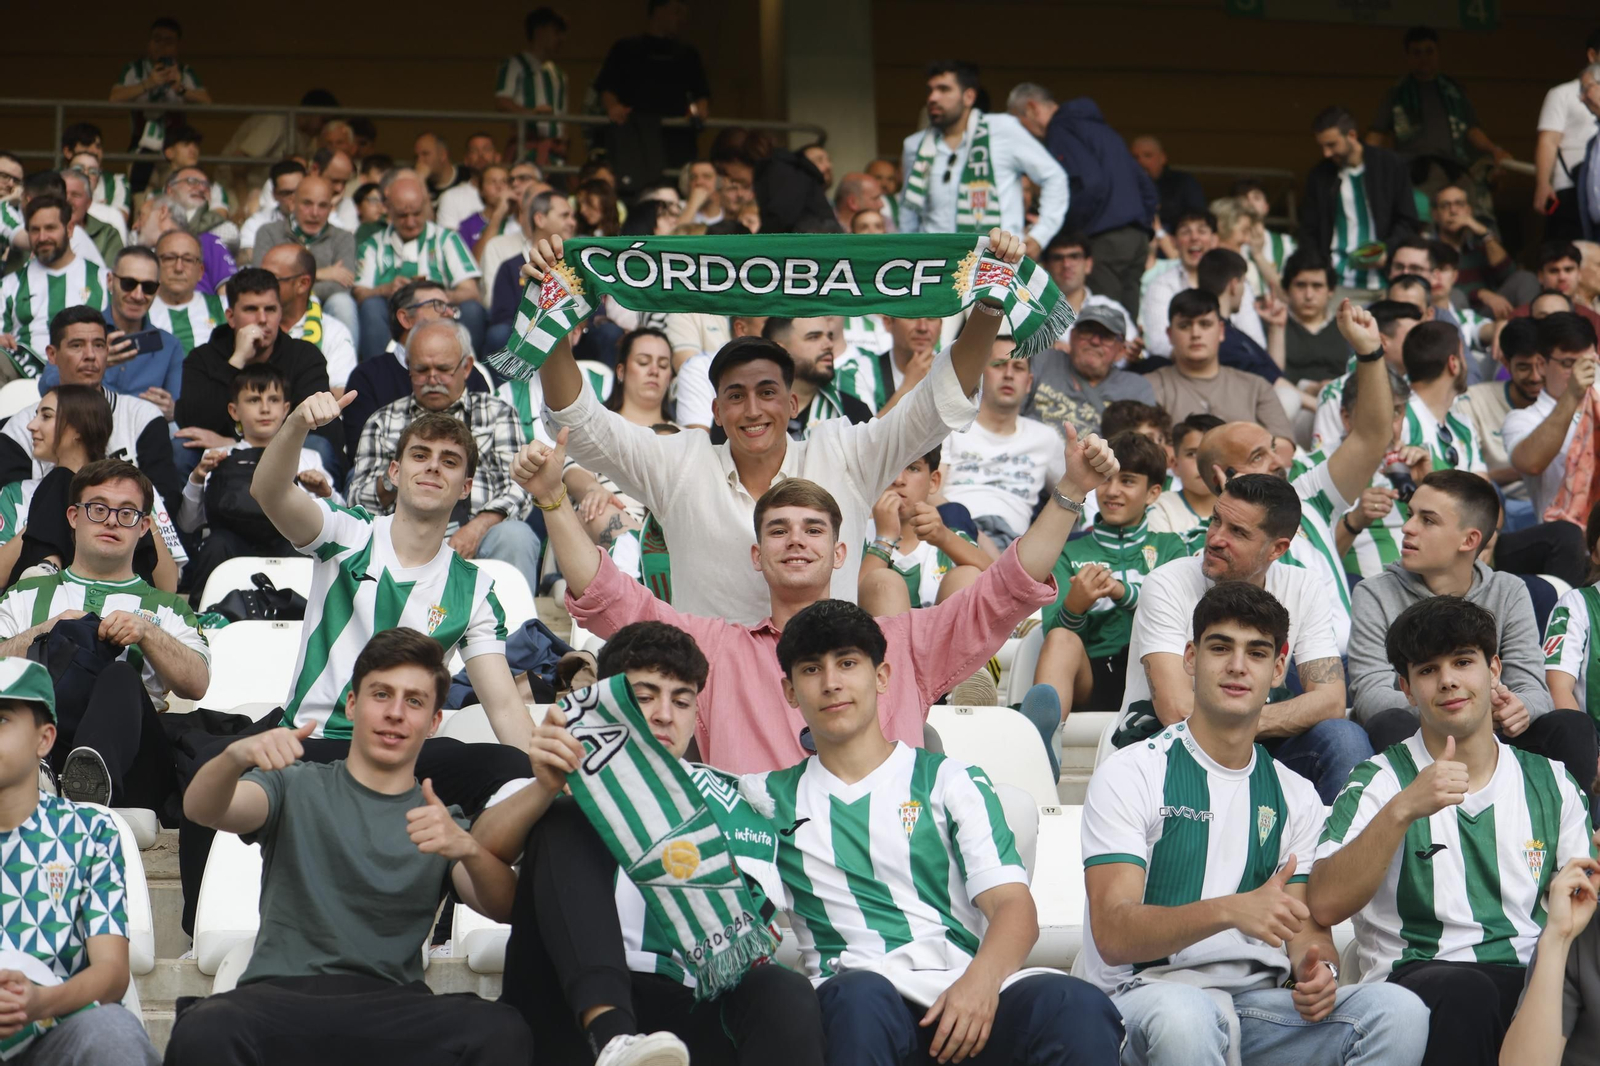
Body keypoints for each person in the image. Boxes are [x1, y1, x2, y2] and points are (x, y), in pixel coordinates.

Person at [512, 405, 1118, 775]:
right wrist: (551, 499)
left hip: (889, 881)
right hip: (760, 887)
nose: (795, 541)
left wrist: (1069, 490)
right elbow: (610, 597)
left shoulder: (903, 644)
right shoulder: (712, 651)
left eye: (812, 530)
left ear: (840, 552)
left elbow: (1006, 589)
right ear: (758, 554)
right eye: (777, 529)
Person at [523, 228, 1020, 626]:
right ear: (716, 411)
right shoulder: (680, 461)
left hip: (825, 691)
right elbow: (582, 423)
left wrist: (990, 304)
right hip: (715, 695)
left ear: (793, 403)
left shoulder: (843, 454)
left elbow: (935, 403)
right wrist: (553, 319)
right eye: (735, 396)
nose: (753, 410)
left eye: (767, 392)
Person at [744, 597, 1124, 1066]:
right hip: (854, 998)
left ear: (881, 676)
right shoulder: (761, 799)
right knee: (861, 997)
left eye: (847, 663)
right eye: (810, 669)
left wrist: (980, 984)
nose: (832, 683)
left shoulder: (950, 779)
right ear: (789, 690)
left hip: (962, 989)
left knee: (1077, 1007)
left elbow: (1012, 907)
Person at [1081, 581, 1429, 1066]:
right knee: (1186, 1016)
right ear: (1190, 658)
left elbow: (1305, 930)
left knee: (1398, 1011)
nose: (1238, 666)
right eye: (1220, 647)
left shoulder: (1296, 794)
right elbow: (1114, 935)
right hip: (1142, 997)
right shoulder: (1133, 771)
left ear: (1279, 669)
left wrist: (1317, 969)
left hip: (1254, 1007)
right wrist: (1229, 910)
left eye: (1257, 652)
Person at [165, 628, 533, 1066]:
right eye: (381, 694)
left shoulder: (440, 820)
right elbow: (204, 809)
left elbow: (505, 907)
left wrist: (468, 848)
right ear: (354, 704)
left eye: (414, 701)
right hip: (282, 997)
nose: (395, 713)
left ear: (434, 721)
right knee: (205, 1028)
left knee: (501, 1031)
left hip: (393, 1008)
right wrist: (233, 756)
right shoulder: (293, 785)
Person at [470, 621, 824, 1066]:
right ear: (606, 700)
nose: (663, 714)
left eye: (681, 700)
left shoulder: (742, 799)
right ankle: (613, 1035)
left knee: (782, 990)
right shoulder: (551, 777)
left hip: (688, 1002)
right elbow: (474, 857)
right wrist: (546, 788)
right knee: (568, 815)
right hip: (565, 1005)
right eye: (644, 696)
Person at [1309, 595, 1594, 1066]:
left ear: (1494, 669)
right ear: (1405, 687)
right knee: (1470, 991)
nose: (1448, 681)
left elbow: (1581, 911)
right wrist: (1403, 810)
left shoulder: (1553, 782)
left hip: (1534, 976)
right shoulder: (1379, 781)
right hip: (1419, 978)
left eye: (1463, 662)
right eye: (1427, 670)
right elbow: (1324, 903)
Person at [1115, 474, 1365, 802]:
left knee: (1344, 739)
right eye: (1216, 520)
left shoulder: (1304, 586)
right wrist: (1250, 723)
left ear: (1277, 548)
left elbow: (1330, 700)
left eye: (1238, 532)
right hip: (1168, 746)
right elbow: (1176, 709)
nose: (1216, 538)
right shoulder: (1167, 584)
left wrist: (1243, 725)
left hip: (1261, 749)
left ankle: (1341, 850)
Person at [1345, 470, 1595, 791]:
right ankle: (1421, 834)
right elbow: (1369, 694)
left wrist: (1521, 708)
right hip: (1420, 734)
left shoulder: (1509, 589)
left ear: (1470, 540)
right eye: (1410, 516)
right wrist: (1460, 712)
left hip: (1496, 739)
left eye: (1428, 520)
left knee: (1570, 725)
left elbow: (1533, 689)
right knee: (1391, 721)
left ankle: (1575, 832)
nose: (1407, 528)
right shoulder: (1374, 592)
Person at [1195, 300, 1404, 650]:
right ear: (1224, 475)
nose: (1279, 462)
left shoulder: (1308, 497)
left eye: (1274, 448)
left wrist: (1369, 354)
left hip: (1352, 666)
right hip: (1277, 677)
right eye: (1259, 456)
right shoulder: (1204, 544)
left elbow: (1372, 437)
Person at [0, 458, 204, 809]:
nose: (111, 520)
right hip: (36, 744)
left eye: (127, 513)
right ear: (73, 517)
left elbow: (196, 684)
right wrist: (44, 631)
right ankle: (47, 771)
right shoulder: (24, 595)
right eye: (98, 508)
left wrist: (146, 633)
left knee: (121, 674)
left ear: (143, 527)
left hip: (134, 767)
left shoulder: (167, 607)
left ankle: (87, 781)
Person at [0, 656, 161, 1063]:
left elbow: (111, 972)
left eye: (2, 719)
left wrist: (40, 1002)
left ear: (45, 738)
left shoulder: (91, 831)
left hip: (57, 1032)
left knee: (113, 1033)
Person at [348, 321, 539, 593]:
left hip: (482, 536)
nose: (432, 378)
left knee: (516, 536)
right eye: (422, 370)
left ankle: (515, 634)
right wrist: (397, 478)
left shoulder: (497, 413)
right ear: (408, 369)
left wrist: (476, 529)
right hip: (402, 542)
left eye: (444, 369)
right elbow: (357, 499)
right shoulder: (382, 421)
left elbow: (519, 486)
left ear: (467, 367)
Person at [1034, 431, 1189, 720]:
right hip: (1089, 678)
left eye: (1127, 481)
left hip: (1157, 675)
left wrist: (1122, 592)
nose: (1112, 491)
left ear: (1154, 492)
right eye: (1105, 479)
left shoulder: (1171, 547)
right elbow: (1050, 634)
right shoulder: (1067, 552)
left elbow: (1183, 617)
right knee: (1059, 639)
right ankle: (1041, 744)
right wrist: (1074, 608)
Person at [0, 308, 183, 526]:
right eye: (77, 345)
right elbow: (12, 515)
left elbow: (165, 504)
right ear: (52, 355)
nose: (90, 355)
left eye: (98, 345)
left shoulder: (142, 416)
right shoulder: (21, 427)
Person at [177, 363, 339, 586]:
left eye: (273, 400)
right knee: (216, 544)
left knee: (307, 550)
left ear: (286, 408)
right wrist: (197, 478)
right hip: (230, 550)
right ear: (234, 411)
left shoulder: (309, 457)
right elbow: (188, 525)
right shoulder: (216, 457)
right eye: (254, 400)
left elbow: (337, 525)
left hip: (289, 550)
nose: (265, 409)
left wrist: (326, 493)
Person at [0, 385, 174, 592]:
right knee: (61, 479)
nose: (31, 425)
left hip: (122, 603)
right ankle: (47, 567)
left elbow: (169, 586)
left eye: (46, 416)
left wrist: (134, 512)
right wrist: (47, 517)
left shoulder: (133, 492)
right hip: (41, 607)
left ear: (77, 428)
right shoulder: (16, 493)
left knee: (66, 479)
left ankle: (49, 566)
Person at [1007, 83, 1156, 316]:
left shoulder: (1060, 130)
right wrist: (1144, 229)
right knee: (1126, 324)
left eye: (1018, 121)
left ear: (1032, 108)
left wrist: (1070, 232)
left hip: (1105, 239)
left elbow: (1091, 183)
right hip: (1137, 238)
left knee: (1103, 321)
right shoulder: (1104, 131)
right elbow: (1147, 187)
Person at [176, 267, 345, 471]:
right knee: (181, 448)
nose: (262, 319)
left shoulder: (304, 357)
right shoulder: (202, 358)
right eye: (251, 309)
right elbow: (192, 421)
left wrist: (237, 446)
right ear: (230, 317)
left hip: (285, 460)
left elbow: (318, 430)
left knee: (319, 447)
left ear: (280, 313)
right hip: (218, 463)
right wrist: (236, 360)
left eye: (270, 309)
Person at [898, 61, 1067, 259]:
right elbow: (908, 211)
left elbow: (1054, 177)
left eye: (944, 89)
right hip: (935, 265)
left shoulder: (1003, 129)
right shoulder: (914, 146)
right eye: (931, 90)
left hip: (998, 263)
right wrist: (906, 254)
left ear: (969, 96)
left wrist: (1040, 236)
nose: (933, 98)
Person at [940, 338, 1067, 552]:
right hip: (952, 534)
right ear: (980, 374)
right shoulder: (950, 427)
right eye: (999, 365)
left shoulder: (1045, 438)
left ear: (1028, 383)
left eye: (1018, 367)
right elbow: (930, 492)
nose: (1008, 374)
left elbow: (1076, 492)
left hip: (1015, 546)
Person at [1367, 26, 1512, 206]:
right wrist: (1361, 161)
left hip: (1454, 170)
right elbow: (1377, 134)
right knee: (1422, 225)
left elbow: (1472, 130)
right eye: (1417, 53)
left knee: (1469, 214)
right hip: (1414, 172)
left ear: (1438, 53)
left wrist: (1495, 150)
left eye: (1429, 51)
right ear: (1408, 57)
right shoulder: (1397, 93)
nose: (1424, 58)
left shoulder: (1454, 91)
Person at [344, 281, 495, 453]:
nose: (449, 313)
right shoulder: (367, 377)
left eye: (450, 307)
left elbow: (484, 449)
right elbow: (361, 456)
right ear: (405, 318)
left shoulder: (468, 373)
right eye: (438, 305)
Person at [38, 247, 183, 419]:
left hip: (142, 435)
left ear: (157, 290)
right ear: (109, 281)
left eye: (148, 287)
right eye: (128, 284)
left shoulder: (169, 345)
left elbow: (177, 410)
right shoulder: (77, 329)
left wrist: (173, 411)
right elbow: (46, 384)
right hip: (80, 425)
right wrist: (97, 363)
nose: (138, 295)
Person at [354, 176, 486, 358]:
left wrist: (434, 297)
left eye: (416, 214)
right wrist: (385, 289)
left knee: (472, 309)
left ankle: (466, 371)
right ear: (388, 210)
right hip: (393, 317)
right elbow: (360, 293)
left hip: (441, 314)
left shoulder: (446, 239)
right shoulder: (373, 245)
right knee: (371, 305)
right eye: (402, 215)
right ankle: (378, 375)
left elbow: (471, 292)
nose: (410, 222)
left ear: (426, 207)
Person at [1146, 289, 1296, 438]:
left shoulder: (1256, 387)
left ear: (1221, 331)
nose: (1196, 334)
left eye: (1205, 324)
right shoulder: (1148, 388)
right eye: (1185, 326)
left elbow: (1284, 446)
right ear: (1170, 334)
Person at [1300, 107, 1419, 295]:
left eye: (1332, 145)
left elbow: (1407, 219)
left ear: (1352, 135)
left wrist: (1387, 251)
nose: (1326, 153)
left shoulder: (1389, 165)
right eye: (1322, 146)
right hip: (1337, 284)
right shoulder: (1320, 176)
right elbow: (1309, 231)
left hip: (1386, 282)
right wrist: (1320, 272)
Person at [861, 445, 989, 612]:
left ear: (933, 481)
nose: (899, 480)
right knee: (883, 581)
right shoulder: (853, 533)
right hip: (872, 636)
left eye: (913, 468)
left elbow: (1000, 579)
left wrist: (944, 538)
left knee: (967, 574)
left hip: (945, 635)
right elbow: (846, 603)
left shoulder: (947, 537)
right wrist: (884, 538)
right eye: (891, 468)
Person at [592, 0, 711, 169]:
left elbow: (702, 94)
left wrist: (699, 110)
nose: (681, 19)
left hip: (676, 141)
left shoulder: (688, 54)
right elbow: (607, 88)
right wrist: (613, 107)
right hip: (635, 138)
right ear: (658, 11)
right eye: (676, 12)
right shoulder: (625, 49)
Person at [1505, 312, 1599, 518]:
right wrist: (1572, 394)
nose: (1581, 371)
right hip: (1568, 540)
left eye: (1589, 362)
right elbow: (1532, 463)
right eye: (1568, 363)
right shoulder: (1522, 419)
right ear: (1541, 364)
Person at [1141, 211, 1267, 356]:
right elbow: (1159, 345)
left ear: (1214, 240)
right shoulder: (1160, 285)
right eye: (1185, 232)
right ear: (1174, 241)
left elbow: (1256, 343)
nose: (1194, 237)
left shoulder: (1235, 281)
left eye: (1202, 231)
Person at [251, 176, 359, 346]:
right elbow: (261, 280)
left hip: (326, 304)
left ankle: (347, 366)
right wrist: (324, 273)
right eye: (307, 204)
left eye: (323, 206)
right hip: (279, 303)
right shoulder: (268, 233)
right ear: (292, 202)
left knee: (342, 302)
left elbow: (343, 285)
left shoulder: (343, 238)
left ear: (331, 208)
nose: (315, 213)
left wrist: (289, 282)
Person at [1024, 302, 1153, 441]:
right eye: (1087, 330)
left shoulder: (1136, 389)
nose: (1095, 341)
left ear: (1121, 350)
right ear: (1072, 337)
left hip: (1094, 462)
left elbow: (1140, 449)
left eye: (1107, 336)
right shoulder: (1042, 360)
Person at [108, 17, 210, 192]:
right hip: (141, 146)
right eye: (156, 39)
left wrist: (181, 89)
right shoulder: (135, 69)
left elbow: (207, 102)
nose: (161, 45)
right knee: (142, 193)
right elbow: (114, 98)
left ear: (177, 47)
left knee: (177, 191)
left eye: (168, 41)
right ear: (149, 43)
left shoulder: (184, 71)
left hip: (176, 149)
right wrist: (148, 83)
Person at [0, 196, 109, 357]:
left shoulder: (104, 280)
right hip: (24, 377)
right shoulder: (9, 285)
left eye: (50, 228)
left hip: (88, 376)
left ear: (70, 229)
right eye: (35, 230)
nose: (42, 237)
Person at [1312, 300, 1423, 452]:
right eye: (1413, 337)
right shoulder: (1335, 393)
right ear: (1383, 341)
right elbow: (1322, 460)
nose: (1422, 343)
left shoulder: (1423, 388)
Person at [1461, 317, 1539, 517]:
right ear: (1505, 362)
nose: (1535, 376)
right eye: (1524, 367)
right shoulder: (1474, 401)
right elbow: (1461, 477)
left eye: (1541, 365)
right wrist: (1525, 468)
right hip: (1497, 507)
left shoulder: (1567, 402)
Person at [260, 243, 359, 393]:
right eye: (260, 276)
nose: (260, 284)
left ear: (303, 284)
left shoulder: (334, 332)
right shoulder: (246, 324)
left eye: (271, 278)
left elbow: (341, 394)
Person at [486, 189, 576, 350]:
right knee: (499, 333)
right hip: (523, 344)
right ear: (540, 219)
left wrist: (581, 325)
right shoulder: (510, 267)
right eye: (565, 216)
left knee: (608, 332)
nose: (573, 222)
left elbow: (597, 315)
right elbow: (502, 320)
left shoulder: (579, 263)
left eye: (572, 216)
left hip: (574, 341)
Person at [1429, 185, 1534, 316]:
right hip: (1453, 314)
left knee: (1525, 278)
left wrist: (1484, 233)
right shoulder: (1427, 250)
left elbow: (1508, 273)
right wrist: (1480, 293)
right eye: (1445, 205)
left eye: (1459, 204)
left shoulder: (1480, 246)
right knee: (1455, 296)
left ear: (1469, 210)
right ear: (1435, 214)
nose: (1453, 211)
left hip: (1486, 313)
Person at [1535, 32, 1600, 242]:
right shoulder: (1564, 93)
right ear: (1592, 54)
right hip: (1571, 187)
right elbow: (1548, 140)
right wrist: (1543, 183)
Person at [1037, 231, 1141, 351]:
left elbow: (1135, 351)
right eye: (1057, 258)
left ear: (1088, 264)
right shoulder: (1029, 309)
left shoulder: (1111, 308)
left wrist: (1132, 354)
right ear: (1044, 266)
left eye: (1074, 256)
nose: (1066, 264)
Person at [494, 7, 570, 164]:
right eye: (556, 32)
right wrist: (531, 113)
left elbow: (562, 114)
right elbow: (502, 100)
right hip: (527, 147)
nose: (561, 39)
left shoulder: (559, 74)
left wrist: (565, 138)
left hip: (555, 150)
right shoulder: (515, 64)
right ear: (539, 31)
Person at [144, 229, 225, 354]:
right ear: (155, 266)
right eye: (169, 258)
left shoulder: (223, 307)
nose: (178, 268)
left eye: (188, 260)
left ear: (200, 271)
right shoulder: (139, 311)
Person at [1282, 250, 1351, 384]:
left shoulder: (1347, 327)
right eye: (1300, 285)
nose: (1309, 295)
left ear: (1330, 291)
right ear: (1286, 289)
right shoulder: (1270, 325)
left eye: (1317, 286)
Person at [1130, 135, 1206, 236]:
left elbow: (1197, 217)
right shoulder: (1124, 186)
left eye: (1148, 155)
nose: (1140, 162)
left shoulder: (1183, 182)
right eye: (1135, 157)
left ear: (1162, 158)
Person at [238, 160, 304, 261]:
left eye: (298, 191)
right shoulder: (255, 223)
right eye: (286, 193)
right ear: (274, 194)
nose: (293, 197)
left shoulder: (327, 219)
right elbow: (249, 260)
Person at [61, 168, 120, 267]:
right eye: (62, 194)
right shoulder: (40, 230)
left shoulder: (107, 234)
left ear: (89, 203)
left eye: (75, 195)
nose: (67, 200)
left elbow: (112, 276)